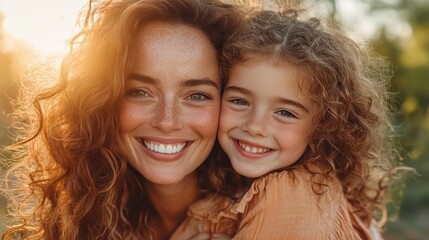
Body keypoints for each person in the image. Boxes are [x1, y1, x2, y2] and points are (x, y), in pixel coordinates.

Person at [1, 0, 247, 239]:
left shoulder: (261, 213)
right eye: (139, 92)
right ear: (102, 101)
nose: (167, 121)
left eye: (196, 95)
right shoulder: (82, 216)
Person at [174, 7, 408, 240]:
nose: (255, 126)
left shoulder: (292, 197)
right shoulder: (235, 188)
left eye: (285, 113)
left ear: (324, 126)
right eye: (239, 101)